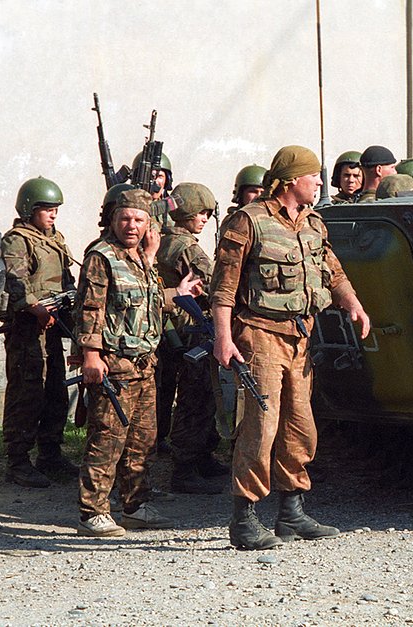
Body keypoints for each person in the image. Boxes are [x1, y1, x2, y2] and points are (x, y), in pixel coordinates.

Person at [209, 145, 371, 550]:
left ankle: (291, 513)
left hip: (301, 339)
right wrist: (223, 338)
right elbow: (224, 289)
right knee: (259, 427)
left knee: (300, 426)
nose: (320, 181)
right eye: (313, 175)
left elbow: (332, 271)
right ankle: (244, 519)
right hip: (259, 336)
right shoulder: (248, 222)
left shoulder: (314, 223)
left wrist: (354, 305)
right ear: (292, 180)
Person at [74, 188, 203, 537]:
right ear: (114, 219)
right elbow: (90, 309)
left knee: (142, 441)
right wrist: (90, 354)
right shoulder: (101, 257)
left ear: (149, 224)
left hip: (145, 365)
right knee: (107, 438)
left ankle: (135, 506)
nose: (131, 225)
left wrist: (180, 292)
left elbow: (146, 301)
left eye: (139, 219)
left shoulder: (142, 257)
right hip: (114, 365)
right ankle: (93, 512)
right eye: (125, 218)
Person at [0, 176, 77, 488]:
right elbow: (15, 281)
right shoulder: (17, 240)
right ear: (29, 209)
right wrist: (37, 308)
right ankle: (17, 461)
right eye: (47, 209)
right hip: (27, 330)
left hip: (54, 327)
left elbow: (66, 280)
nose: (53, 215)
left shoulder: (56, 240)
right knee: (26, 392)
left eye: (56, 209)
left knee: (55, 390)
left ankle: (50, 453)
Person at [155, 182, 226, 494]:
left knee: (198, 397)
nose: (205, 219)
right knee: (195, 399)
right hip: (192, 331)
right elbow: (212, 286)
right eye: (201, 213)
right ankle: (185, 468)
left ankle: (201, 458)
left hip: (176, 330)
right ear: (184, 213)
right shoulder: (186, 248)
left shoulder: (163, 240)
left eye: (209, 214)